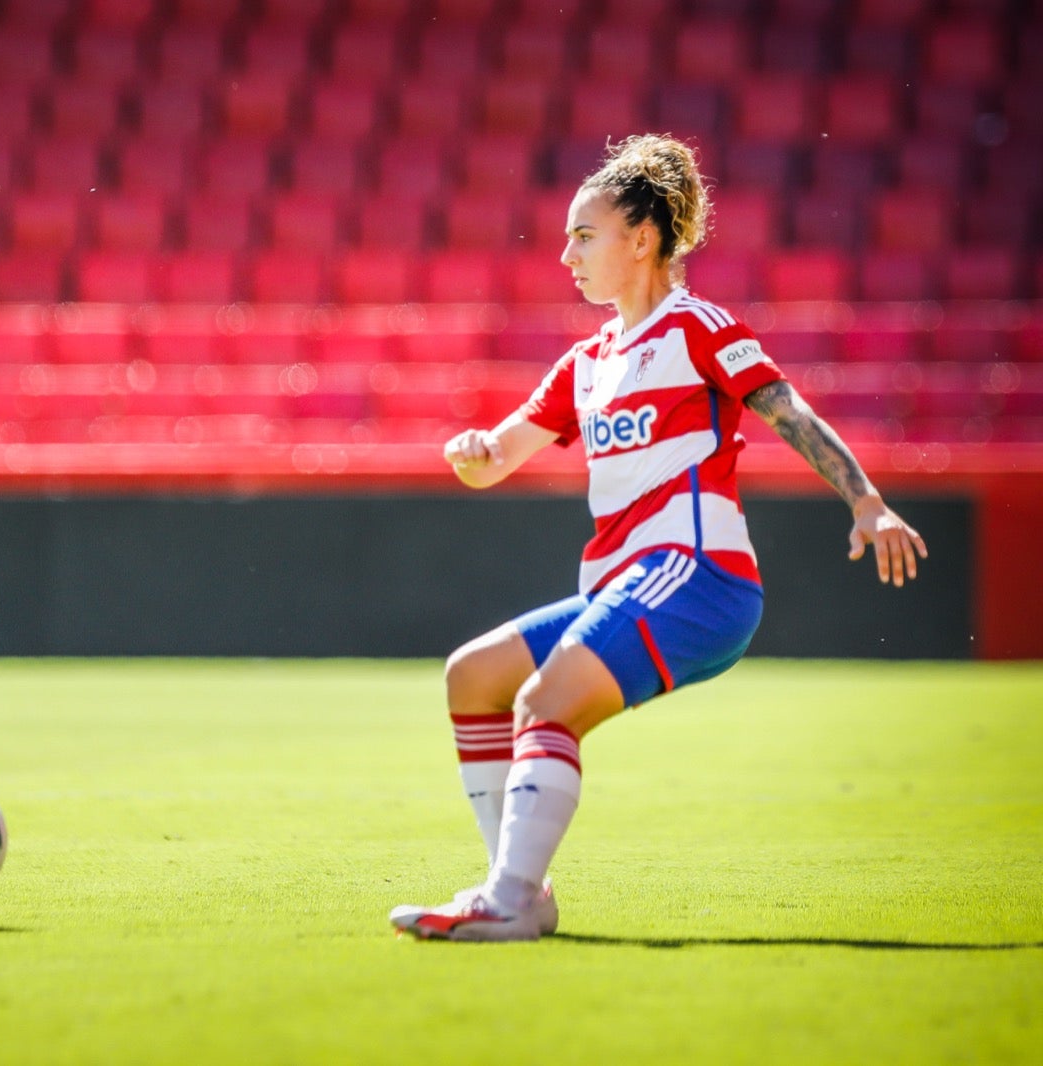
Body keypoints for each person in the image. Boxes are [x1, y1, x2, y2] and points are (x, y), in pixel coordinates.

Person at [389, 134, 928, 942]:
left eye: (584, 235)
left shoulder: (698, 327)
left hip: (699, 575)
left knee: (544, 703)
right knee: (474, 676)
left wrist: (868, 501)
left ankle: (508, 898)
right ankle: (521, 891)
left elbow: (787, 411)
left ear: (641, 240)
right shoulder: (586, 363)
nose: (567, 255)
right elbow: (498, 457)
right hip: (621, 586)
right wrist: (473, 452)